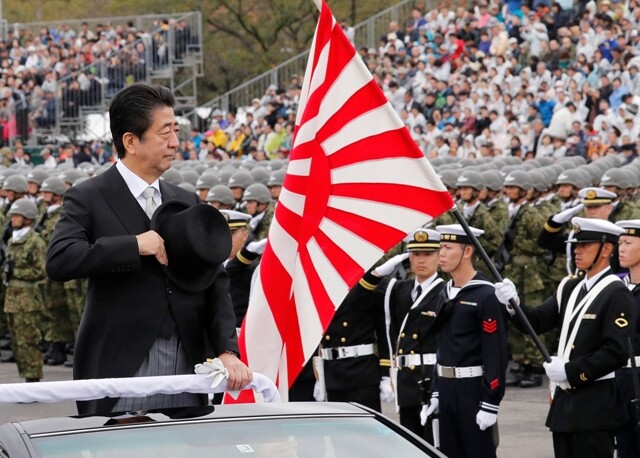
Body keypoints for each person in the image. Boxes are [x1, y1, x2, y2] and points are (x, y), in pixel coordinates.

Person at [45, 83, 251, 415]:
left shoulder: (184, 201)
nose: (174, 142)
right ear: (130, 141)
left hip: (188, 361)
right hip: (120, 363)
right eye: (164, 132)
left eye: (176, 131)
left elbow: (216, 282)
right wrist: (133, 245)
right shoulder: (89, 196)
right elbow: (60, 260)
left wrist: (228, 350)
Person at [495, 217, 635, 458]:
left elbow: (616, 350)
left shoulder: (617, 292)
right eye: (576, 245)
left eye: (584, 245)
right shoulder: (570, 287)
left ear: (606, 249)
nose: (576, 251)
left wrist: (570, 371)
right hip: (564, 406)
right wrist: (513, 304)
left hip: (595, 404)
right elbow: (536, 322)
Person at [422, 224, 508, 458]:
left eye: (448, 248)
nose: (441, 254)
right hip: (447, 388)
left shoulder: (486, 294)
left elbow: (496, 352)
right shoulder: (445, 291)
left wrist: (491, 402)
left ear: (467, 251)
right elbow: (442, 348)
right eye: (440, 247)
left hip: (473, 389)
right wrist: (436, 392)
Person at [363, 228, 445, 443]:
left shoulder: (446, 291)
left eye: (428, 254)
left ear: (439, 257)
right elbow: (362, 294)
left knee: (436, 443)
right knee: (412, 443)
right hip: (407, 382)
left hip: (434, 378)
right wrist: (379, 273)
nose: (421, 260)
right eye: (416, 254)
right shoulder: (397, 289)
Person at [613, 219, 640, 458]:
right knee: (624, 447)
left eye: (628, 243)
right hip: (618, 377)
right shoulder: (618, 288)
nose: (621, 248)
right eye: (620, 242)